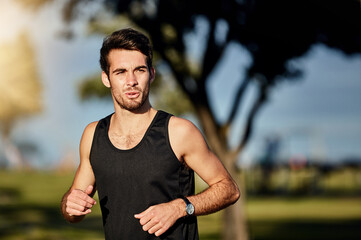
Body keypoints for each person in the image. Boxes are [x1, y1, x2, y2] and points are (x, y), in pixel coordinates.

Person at [60, 28, 240, 240]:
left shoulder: (178, 131)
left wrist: (181, 207)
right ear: (106, 78)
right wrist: (69, 205)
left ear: (151, 74)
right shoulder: (93, 135)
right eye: (120, 72)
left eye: (140, 70)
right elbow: (72, 210)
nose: (131, 81)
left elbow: (229, 189)